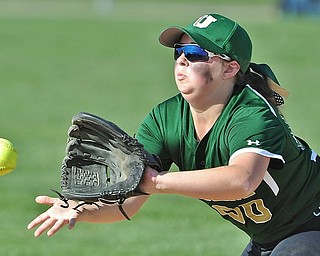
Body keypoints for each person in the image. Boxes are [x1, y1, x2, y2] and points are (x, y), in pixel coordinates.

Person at [27, 13, 320, 255]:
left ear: (230, 68)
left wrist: (156, 182)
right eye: (178, 52)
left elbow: (242, 180)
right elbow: (129, 201)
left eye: (194, 54)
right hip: (270, 239)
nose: (181, 61)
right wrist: (83, 210)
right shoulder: (165, 120)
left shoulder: (251, 113)